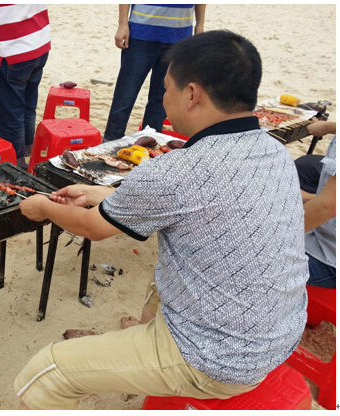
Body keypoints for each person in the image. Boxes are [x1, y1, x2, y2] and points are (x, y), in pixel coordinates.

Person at [17, 30, 308, 409]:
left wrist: (43, 207)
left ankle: (158, 350)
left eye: (166, 88)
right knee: (171, 264)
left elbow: (91, 228)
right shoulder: (274, 151)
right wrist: (98, 194)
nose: (163, 97)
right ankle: (146, 334)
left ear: (192, 94)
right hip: (281, 333)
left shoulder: (176, 170)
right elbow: (186, 205)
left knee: (47, 371)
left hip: (220, 360)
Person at [103, 4, 206, 142]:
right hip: (141, 33)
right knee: (125, 95)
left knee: (162, 99)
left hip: (179, 36)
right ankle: (110, 141)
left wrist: (200, 25)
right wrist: (122, 24)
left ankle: (149, 143)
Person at [0, 4, 51, 169]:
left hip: (11, 50)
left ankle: (16, 166)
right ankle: (27, 152)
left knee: (10, 117)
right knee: (27, 106)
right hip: (39, 42)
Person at [295, 121, 336, 288]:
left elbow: (328, 207)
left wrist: (271, 235)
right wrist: (329, 127)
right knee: (304, 165)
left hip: (330, 260)